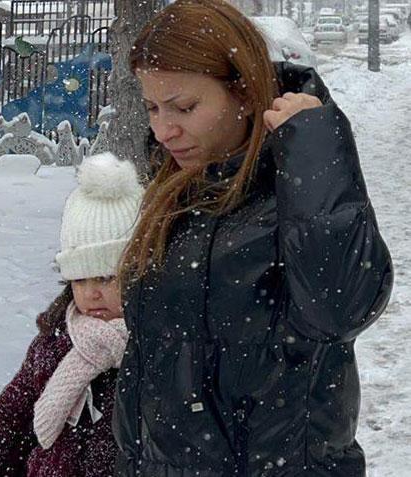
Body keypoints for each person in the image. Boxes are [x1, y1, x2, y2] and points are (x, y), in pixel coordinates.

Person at [111, 1, 393, 475]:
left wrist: (314, 150)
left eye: (184, 107)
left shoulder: (296, 188)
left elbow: (340, 306)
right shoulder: (177, 191)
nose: (163, 129)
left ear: (243, 92)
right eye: (152, 107)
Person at [0, 154, 143, 476]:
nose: (92, 293)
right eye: (80, 279)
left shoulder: (156, 353)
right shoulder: (56, 342)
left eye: (107, 278)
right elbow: (6, 425)